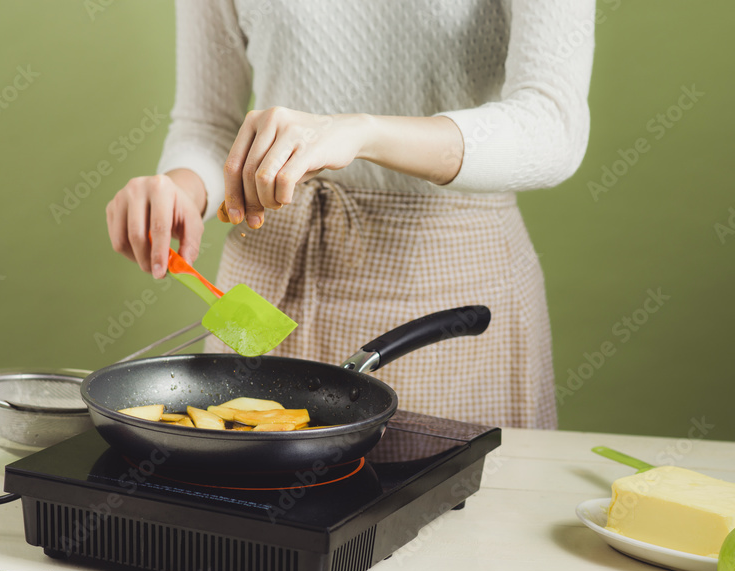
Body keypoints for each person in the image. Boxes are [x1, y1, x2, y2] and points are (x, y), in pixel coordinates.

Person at [106, 0, 595, 428]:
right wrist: (180, 187)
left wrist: (364, 134)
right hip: (267, 286)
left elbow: (552, 125)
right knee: (238, 506)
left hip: (445, 287)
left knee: (446, 509)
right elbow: (209, 123)